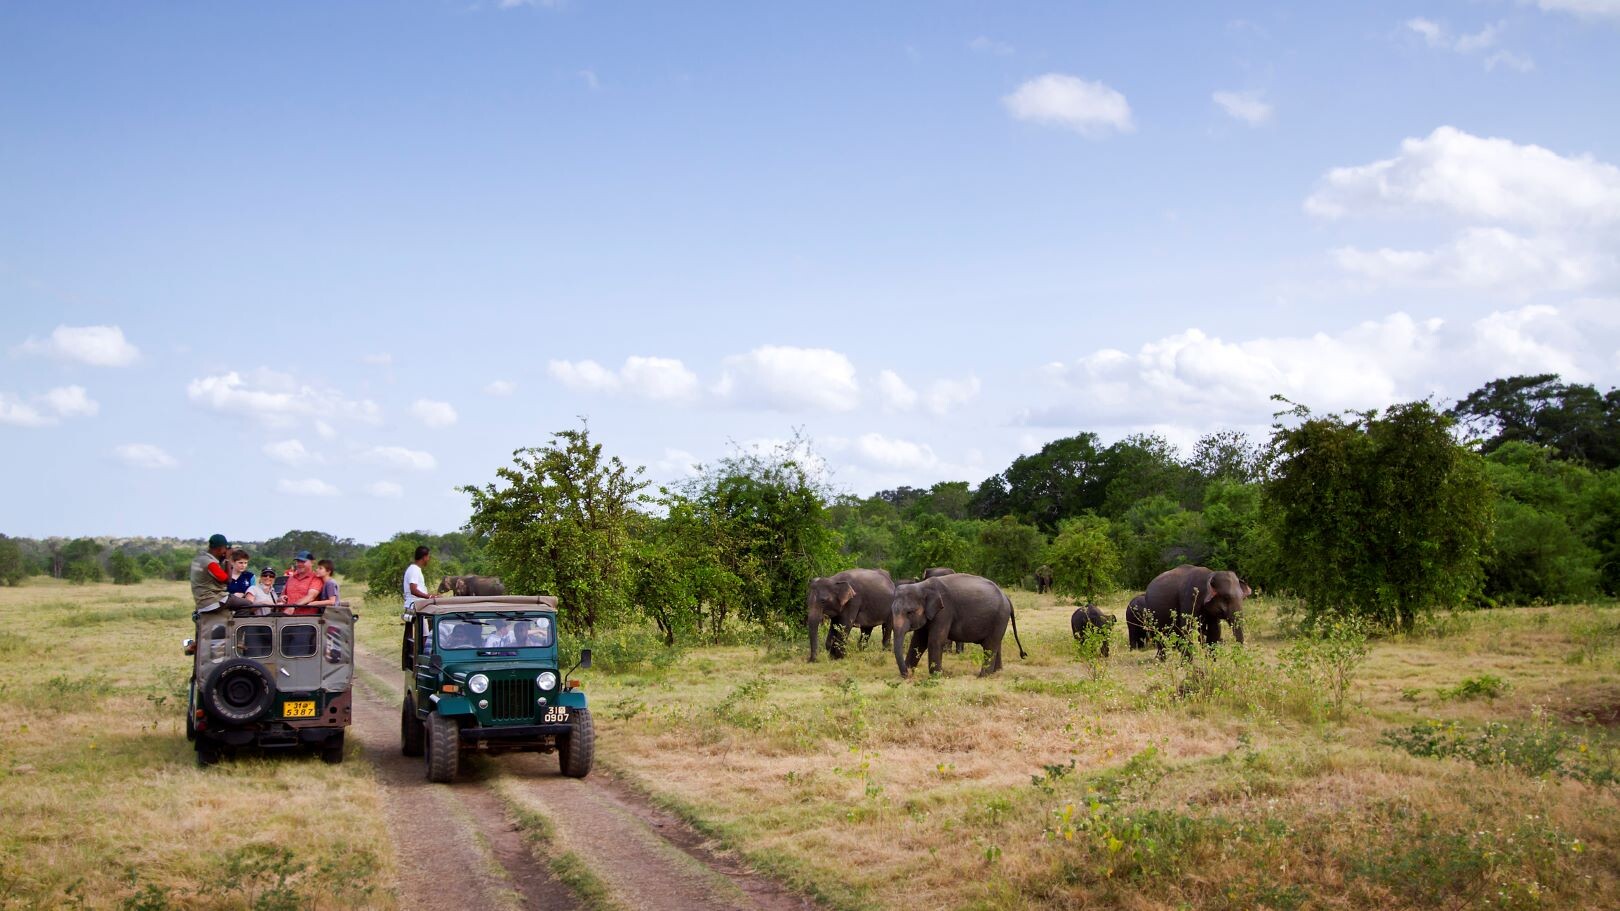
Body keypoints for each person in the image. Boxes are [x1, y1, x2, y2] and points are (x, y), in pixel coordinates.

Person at [190, 534, 252, 614]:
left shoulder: (199, 559)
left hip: (201, 601)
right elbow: (228, 580)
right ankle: (233, 626)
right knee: (249, 605)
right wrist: (228, 559)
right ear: (220, 549)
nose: (226, 551)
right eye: (225, 549)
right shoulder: (210, 564)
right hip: (214, 600)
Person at [403, 545, 433, 620]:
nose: (429, 559)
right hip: (414, 605)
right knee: (419, 630)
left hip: (413, 605)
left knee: (410, 629)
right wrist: (430, 597)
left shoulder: (415, 569)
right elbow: (413, 590)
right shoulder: (414, 570)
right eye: (428, 557)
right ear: (424, 557)